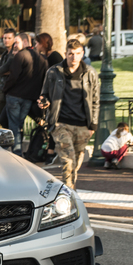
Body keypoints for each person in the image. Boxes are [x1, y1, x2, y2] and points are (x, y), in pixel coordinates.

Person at [39, 39, 100, 190]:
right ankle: (69, 192)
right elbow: (44, 94)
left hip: (82, 125)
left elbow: (95, 100)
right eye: (71, 54)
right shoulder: (54, 72)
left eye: (78, 54)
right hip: (61, 123)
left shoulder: (90, 73)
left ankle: (70, 189)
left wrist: (93, 125)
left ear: (82, 54)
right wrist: (44, 102)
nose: (74, 57)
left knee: (77, 161)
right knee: (68, 160)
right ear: (65, 54)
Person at [3, 32, 48, 156]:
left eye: (16, 42)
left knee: (14, 126)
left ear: (25, 42)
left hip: (15, 96)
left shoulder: (21, 56)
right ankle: (18, 151)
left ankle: (17, 152)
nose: (14, 45)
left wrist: (5, 90)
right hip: (29, 97)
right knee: (19, 125)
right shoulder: (42, 59)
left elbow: (13, 77)